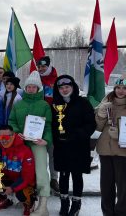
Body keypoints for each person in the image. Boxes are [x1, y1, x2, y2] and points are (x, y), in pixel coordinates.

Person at [9, 71, 52, 216]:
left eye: (34, 87)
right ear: (25, 88)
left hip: (38, 144)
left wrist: (45, 139)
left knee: (40, 172)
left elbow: (48, 125)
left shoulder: (44, 105)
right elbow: (12, 121)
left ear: (38, 88)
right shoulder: (18, 104)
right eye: (29, 87)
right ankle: (29, 201)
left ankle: (43, 206)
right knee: (24, 172)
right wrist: (16, 132)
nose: (31, 89)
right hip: (22, 143)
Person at [52, 75, 96, 216]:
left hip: (78, 146)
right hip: (61, 147)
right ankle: (64, 203)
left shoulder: (83, 103)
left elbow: (91, 124)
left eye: (67, 87)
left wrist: (77, 134)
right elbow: (51, 124)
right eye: (61, 88)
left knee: (77, 175)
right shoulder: (54, 104)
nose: (64, 90)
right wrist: (55, 135)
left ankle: (76, 204)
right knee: (63, 176)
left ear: (73, 87)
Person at [0, 125, 36, 215]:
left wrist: (12, 188)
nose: (3, 140)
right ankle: (4, 199)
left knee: (21, 194)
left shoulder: (25, 150)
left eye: (6, 137)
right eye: (1, 137)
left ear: (13, 135)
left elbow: (28, 176)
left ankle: (29, 202)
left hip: (21, 180)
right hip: (7, 177)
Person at [95, 76, 126, 216]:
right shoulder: (107, 102)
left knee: (123, 187)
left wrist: (119, 134)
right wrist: (100, 115)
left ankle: (121, 212)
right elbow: (98, 128)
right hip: (105, 150)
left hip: (123, 152)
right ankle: (107, 213)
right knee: (106, 186)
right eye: (118, 87)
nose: (120, 91)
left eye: (124, 88)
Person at [36, 56, 60, 194]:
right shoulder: (36, 80)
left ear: (49, 66)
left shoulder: (56, 81)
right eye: (39, 67)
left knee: (52, 152)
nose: (41, 69)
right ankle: (41, 180)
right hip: (38, 122)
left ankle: (54, 179)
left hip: (53, 121)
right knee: (38, 153)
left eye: (44, 66)